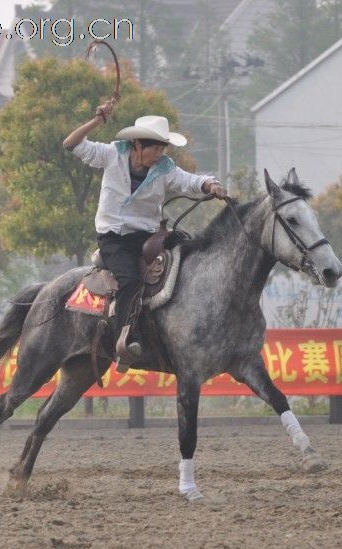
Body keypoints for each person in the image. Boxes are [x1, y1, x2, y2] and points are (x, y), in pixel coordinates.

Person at [63, 100, 227, 367]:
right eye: (154, 146)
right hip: (114, 237)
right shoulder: (111, 155)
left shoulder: (164, 168)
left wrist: (210, 184)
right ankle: (123, 342)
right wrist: (97, 121)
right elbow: (71, 144)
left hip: (147, 235)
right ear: (137, 145)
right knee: (129, 279)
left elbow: (189, 181)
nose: (159, 153)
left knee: (186, 249)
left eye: (163, 147)